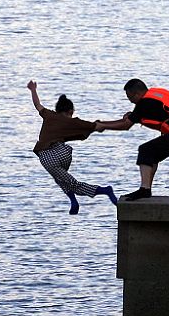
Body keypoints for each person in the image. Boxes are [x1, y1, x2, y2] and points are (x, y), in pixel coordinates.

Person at [94, 79, 169, 201]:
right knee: (152, 154)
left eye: (130, 97)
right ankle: (146, 189)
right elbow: (149, 114)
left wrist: (103, 125)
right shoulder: (154, 95)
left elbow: (125, 125)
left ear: (137, 94)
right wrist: (106, 123)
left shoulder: (144, 103)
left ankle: (145, 189)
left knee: (146, 150)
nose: (130, 101)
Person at [28, 80, 118, 215]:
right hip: (64, 153)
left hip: (48, 156)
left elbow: (37, 104)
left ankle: (104, 190)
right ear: (70, 111)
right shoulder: (74, 122)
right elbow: (99, 126)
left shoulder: (49, 115)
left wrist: (33, 89)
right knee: (61, 178)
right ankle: (73, 201)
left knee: (72, 183)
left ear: (58, 110)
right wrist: (121, 122)